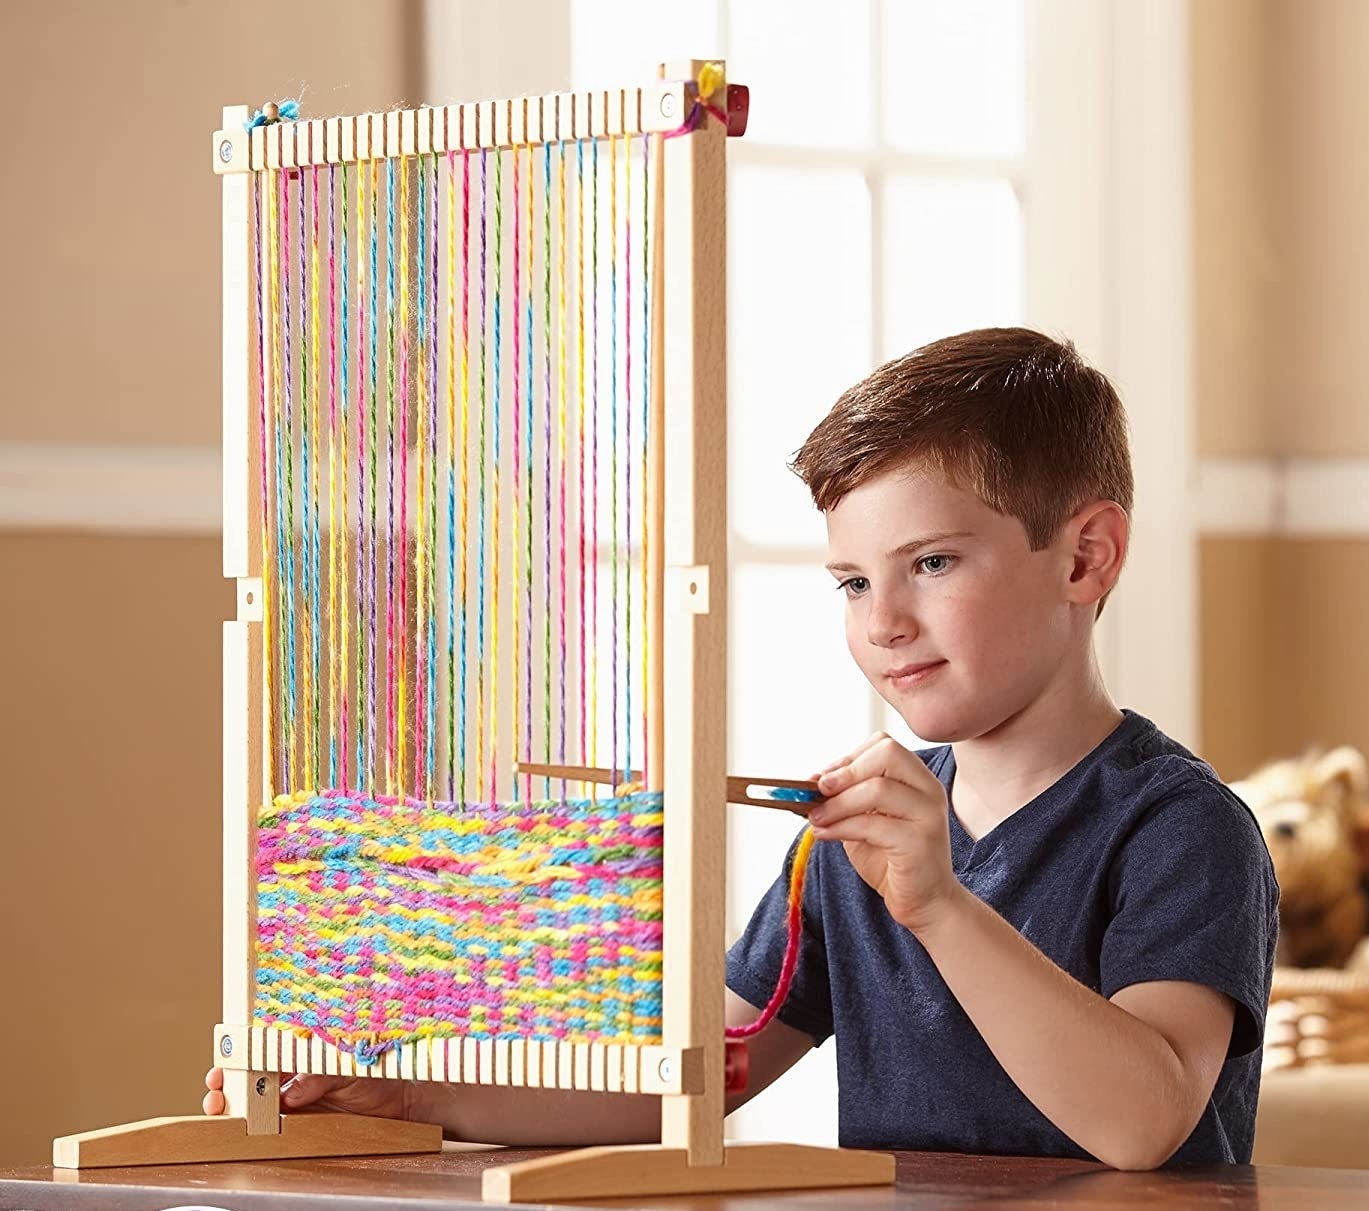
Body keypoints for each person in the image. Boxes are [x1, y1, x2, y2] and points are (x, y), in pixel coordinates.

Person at [204, 327, 1278, 1169]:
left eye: (934, 562)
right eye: (852, 581)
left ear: (1085, 555)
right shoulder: (857, 847)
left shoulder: (1178, 827)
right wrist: (412, 1095)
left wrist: (941, 907)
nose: (882, 621)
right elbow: (690, 1082)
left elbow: (1142, 1120)